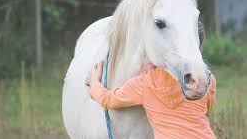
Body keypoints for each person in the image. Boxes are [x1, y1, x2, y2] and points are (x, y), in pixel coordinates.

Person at [85, 23, 216, 139]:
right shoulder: (207, 81)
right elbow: (207, 111)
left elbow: (109, 99)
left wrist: (94, 82)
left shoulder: (145, 83)